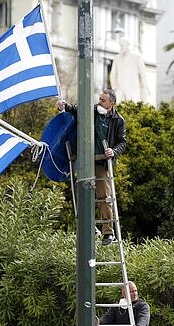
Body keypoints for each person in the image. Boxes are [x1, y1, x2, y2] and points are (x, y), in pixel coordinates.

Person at [57, 89, 126, 246]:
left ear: (111, 103)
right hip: (86, 160)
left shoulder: (118, 120)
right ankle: (90, 227)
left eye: (103, 100)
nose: (100, 102)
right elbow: (77, 109)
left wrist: (113, 151)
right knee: (82, 193)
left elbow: (122, 142)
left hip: (102, 162)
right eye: (100, 99)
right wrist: (65, 106)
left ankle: (108, 232)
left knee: (104, 197)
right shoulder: (93, 111)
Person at [109, 37, 149, 103]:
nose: (121, 47)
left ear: (127, 45)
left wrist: (145, 86)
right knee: (118, 106)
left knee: (132, 105)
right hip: (120, 88)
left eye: (122, 45)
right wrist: (114, 87)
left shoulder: (136, 57)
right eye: (120, 45)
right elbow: (113, 73)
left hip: (132, 87)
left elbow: (143, 72)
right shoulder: (117, 58)